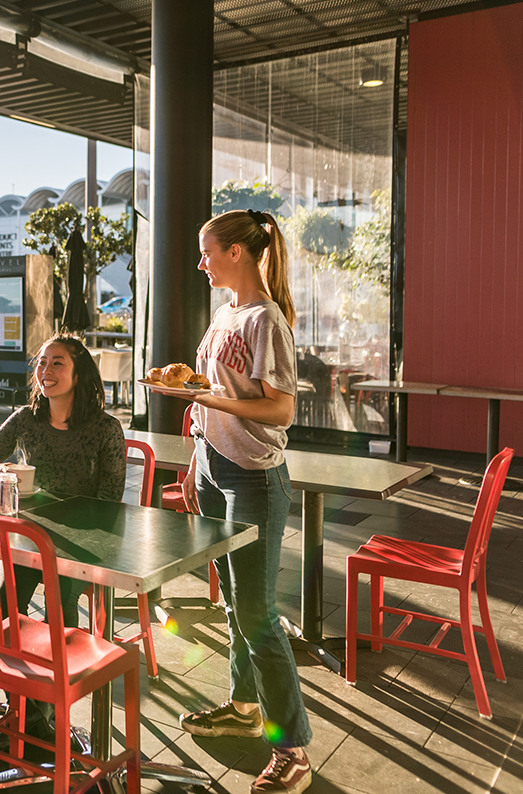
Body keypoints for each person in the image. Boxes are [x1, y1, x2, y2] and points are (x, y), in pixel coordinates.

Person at [178, 209, 312, 794]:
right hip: (213, 467)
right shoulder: (225, 313)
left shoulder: (266, 320)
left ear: (236, 252)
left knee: (257, 615)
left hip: (253, 479)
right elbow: (214, 393)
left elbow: (280, 411)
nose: (200, 262)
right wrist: (195, 455)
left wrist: (216, 403)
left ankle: (294, 751)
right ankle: (244, 706)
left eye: (207, 251)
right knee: (236, 605)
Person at [0, 332, 126, 745]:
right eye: (41, 362)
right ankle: (30, 713)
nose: (45, 370)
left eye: (58, 363)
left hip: (83, 547)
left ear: (80, 374)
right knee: (5, 608)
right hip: (30, 540)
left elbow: (111, 503)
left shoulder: (106, 429)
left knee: (60, 611)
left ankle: (43, 714)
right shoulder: (25, 418)